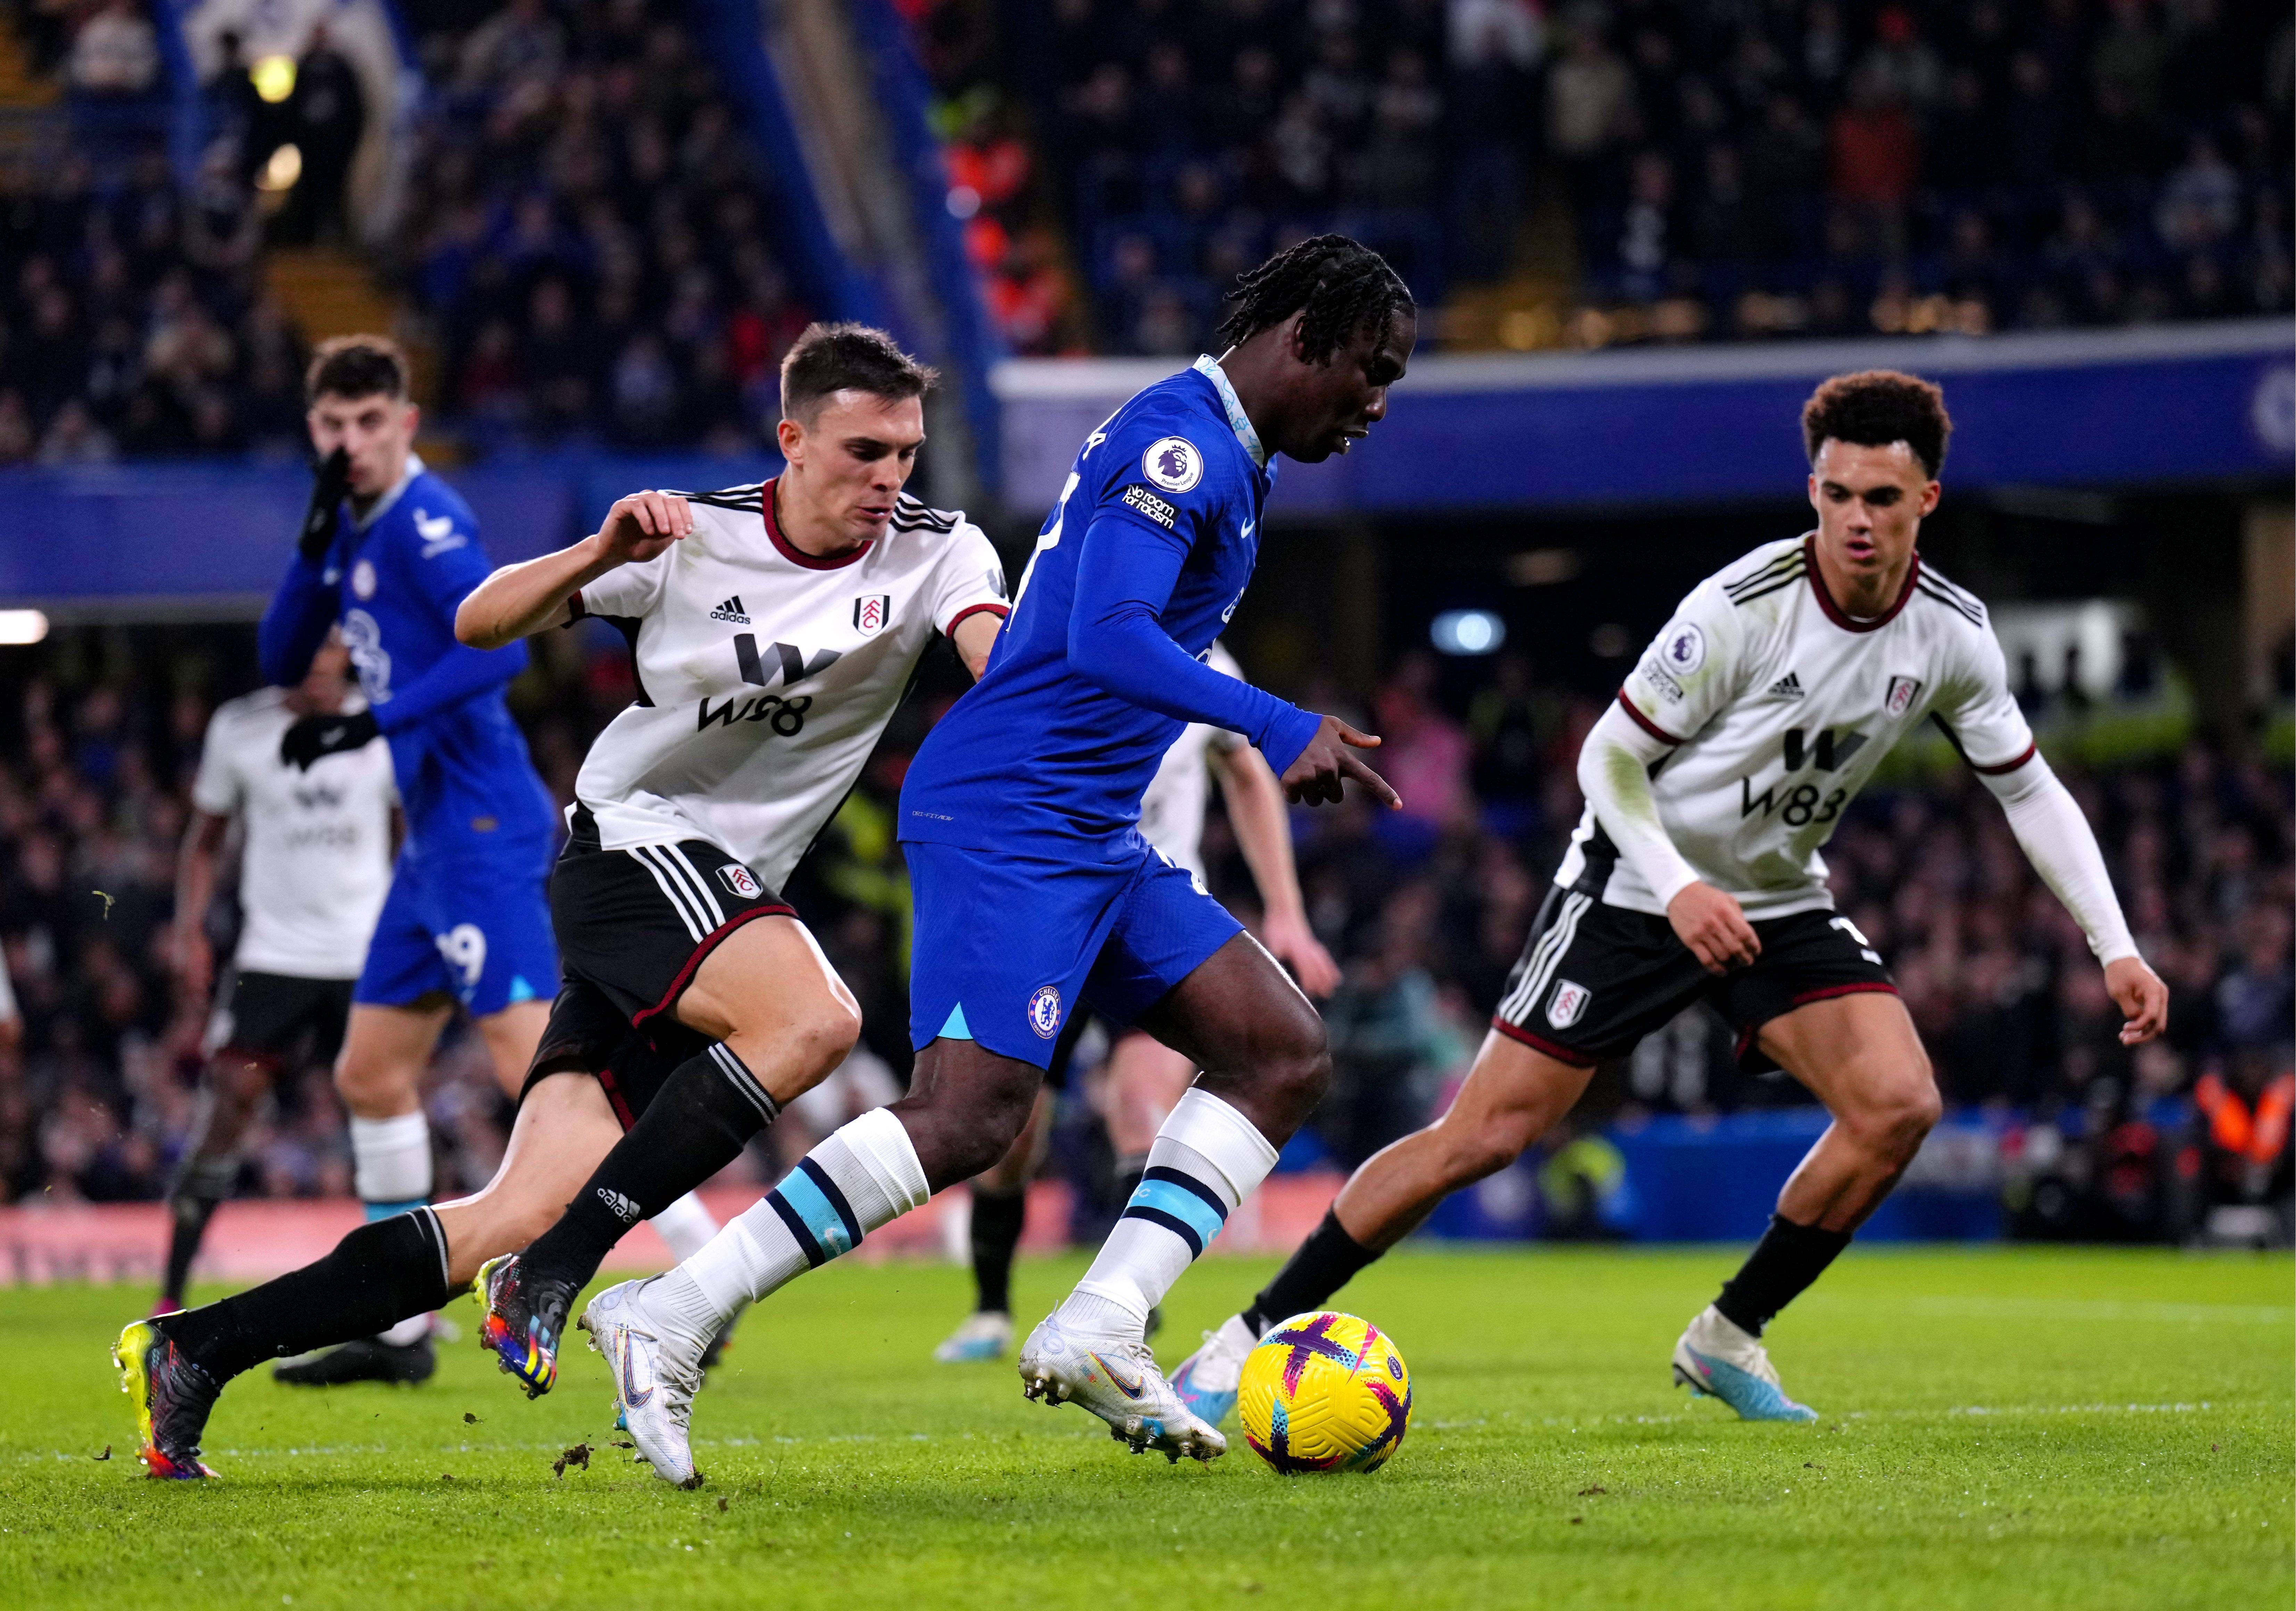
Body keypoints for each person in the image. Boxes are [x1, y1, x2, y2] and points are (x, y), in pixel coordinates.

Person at [535, 235, 1417, 1487]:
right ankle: (666, 1310)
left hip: (1093, 826)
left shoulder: (1226, 451)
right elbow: (1109, 634)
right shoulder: (1186, 449)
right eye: (1369, 370)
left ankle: (1105, 1321)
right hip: (1010, 813)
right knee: (968, 1115)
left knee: (1282, 1046)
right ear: (1304, 340)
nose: (1376, 402)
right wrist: (1276, 723)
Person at [1168, 369, 2171, 1427]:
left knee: (1898, 1103)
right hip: (1631, 881)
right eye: (1836, 495)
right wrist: (1679, 884)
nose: (1856, 521)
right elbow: (1609, 760)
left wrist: (2114, 942)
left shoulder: (1952, 634)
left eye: (1881, 498)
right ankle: (1242, 1335)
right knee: (1483, 1135)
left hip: (1775, 895)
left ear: (1926, 499)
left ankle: (1727, 1335)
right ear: (1812, 490)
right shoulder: (1744, 606)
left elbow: (2027, 787)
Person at [113, 322, 1007, 1480]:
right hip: (631, 849)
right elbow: (479, 622)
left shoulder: (939, 551)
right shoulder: (694, 536)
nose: (888, 478)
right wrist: (596, 550)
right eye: (861, 451)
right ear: (791, 440)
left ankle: (194, 1348)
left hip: (716, 906)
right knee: (818, 1020)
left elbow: (1000, 656)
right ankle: (579, 1272)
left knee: (513, 1203)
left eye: (905, 453)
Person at [932, 641, 1340, 1364]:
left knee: (1142, 1107)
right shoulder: (1065, 641)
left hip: (1157, 923)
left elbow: (1244, 770)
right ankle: (992, 1308)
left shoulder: (1213, 666)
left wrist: (1285, 908)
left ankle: (1120, 1308)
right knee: (1009, 1135)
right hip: (1056, 916)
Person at [159, 635, 395, 1333]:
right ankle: (172, 1285)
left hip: (364, 957)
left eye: (333, 649)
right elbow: (203, 844)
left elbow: (411, 833)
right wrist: (190, 930)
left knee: (385, 1113)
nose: (323, 662)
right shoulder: (241, 728)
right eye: (311, 647)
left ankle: (406, 1304)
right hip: (273, 957)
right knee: (230, 1103)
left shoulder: (383, 727)